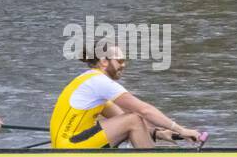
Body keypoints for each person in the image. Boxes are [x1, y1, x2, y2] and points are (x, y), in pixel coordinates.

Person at [49, 40, 203, 149]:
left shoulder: (92, 84)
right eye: (120, 60)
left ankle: (146, 156)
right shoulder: (98, 81)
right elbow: (143, 110)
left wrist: (160, 134)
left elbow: (120, 116)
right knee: (133, 119)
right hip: (69, 146)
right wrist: (181, 130)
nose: (124, 65)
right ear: (104, 61)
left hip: (70, 143)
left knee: (130, 117)